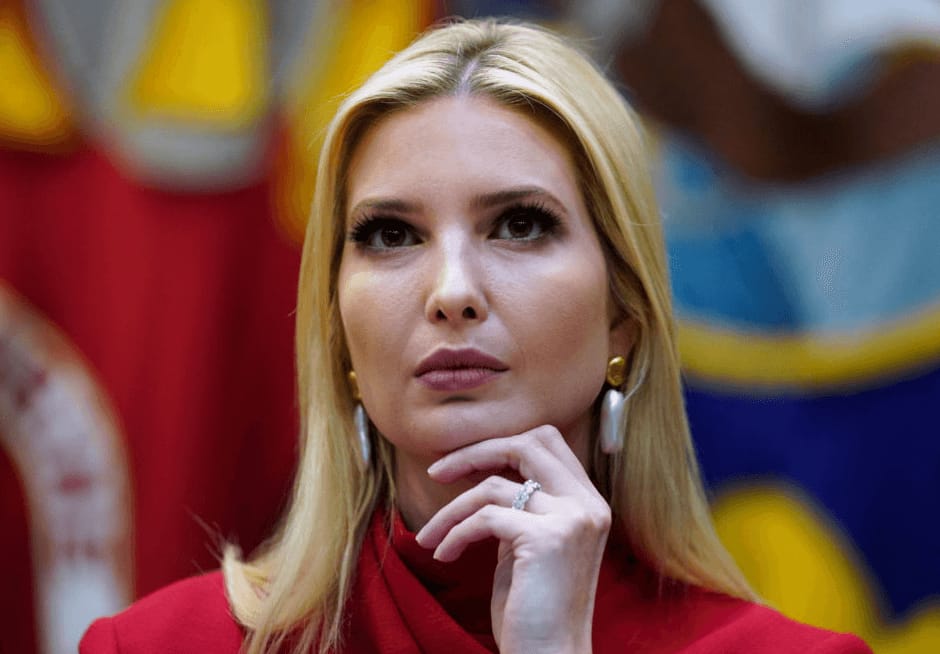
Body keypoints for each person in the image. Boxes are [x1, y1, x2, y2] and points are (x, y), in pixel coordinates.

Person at [80, 18, 873, 654]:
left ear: (622, 321)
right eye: (392, 235)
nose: (452, 291)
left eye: (519, 225)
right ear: (341, 336)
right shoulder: (154, 646)